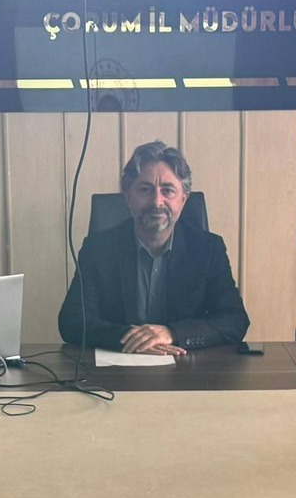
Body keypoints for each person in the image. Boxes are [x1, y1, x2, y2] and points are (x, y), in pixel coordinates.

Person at [59, 141, 249, 354]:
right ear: (128, 196)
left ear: (183, 200)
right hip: (118, 367)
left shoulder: (208, 249)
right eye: (145, 190)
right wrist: (134, 340)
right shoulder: (98, 249)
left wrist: (173, 333)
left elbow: (235, 320)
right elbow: (72, 321)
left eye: (167, 190)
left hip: (186, 368)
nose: (157, 201)